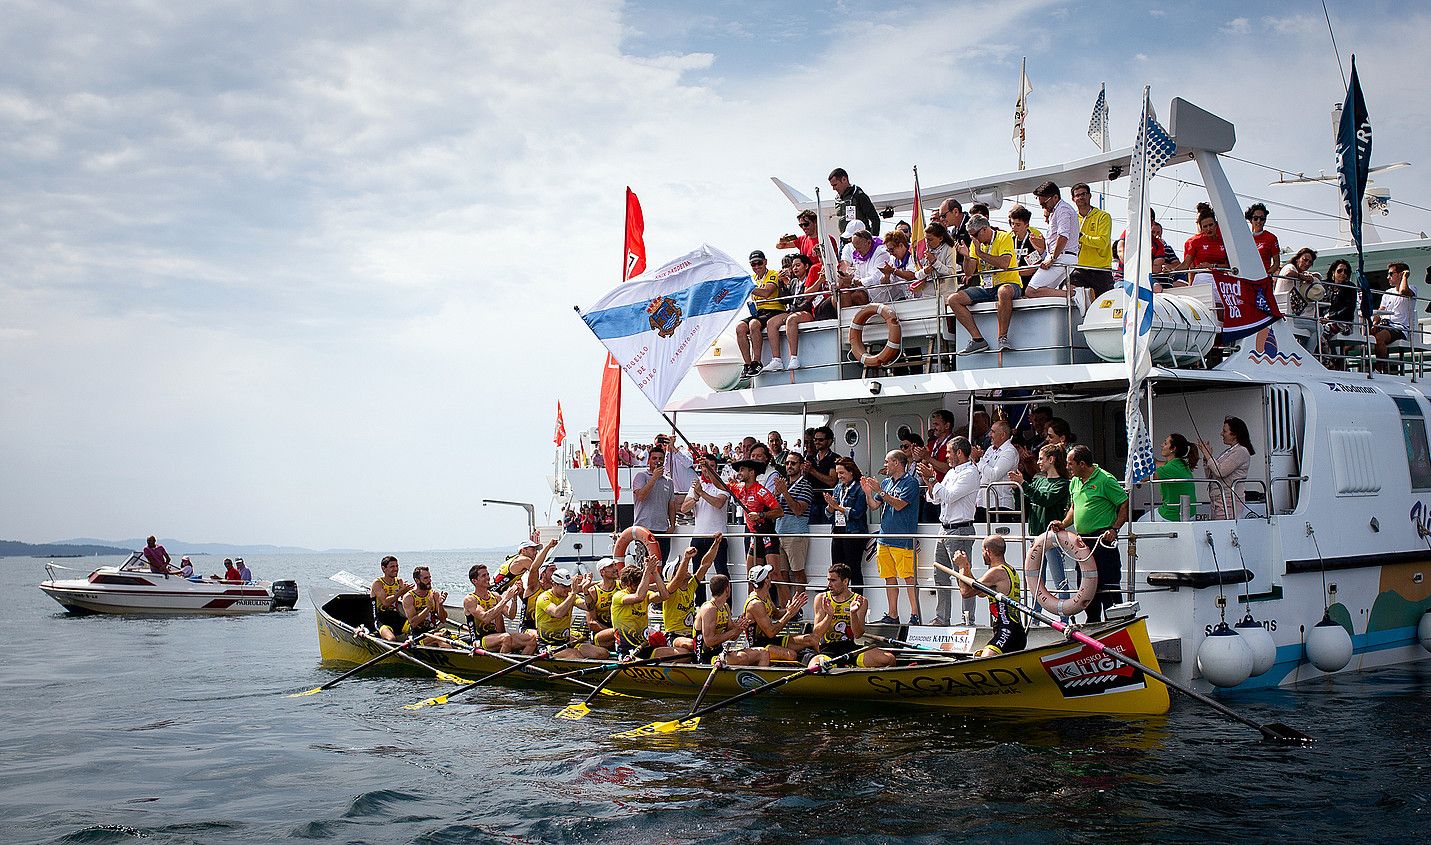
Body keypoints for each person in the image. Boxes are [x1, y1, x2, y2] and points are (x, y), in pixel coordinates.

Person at [1049, 445, 1128, 623]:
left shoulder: (1105, 479)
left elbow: (1124, 503)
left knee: (1108, 585)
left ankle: (1116, 624)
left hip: (1102, 540)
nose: (1067, 467)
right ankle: (1092, 622)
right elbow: (1074, 508)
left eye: (1070, 464)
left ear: (1082, 464)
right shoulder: (1075, 481)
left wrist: (1114, 529)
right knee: (1085, 586)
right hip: (1083, 542)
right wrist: (1063, 523)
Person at [704, 455, 785, 601]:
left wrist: (761, 514)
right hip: (754, 536)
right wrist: (709, 469)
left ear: (752, 472)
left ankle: (790, 610)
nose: (739, 472)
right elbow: (719, 484)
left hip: (767, 534)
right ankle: (752, 608)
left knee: (775, 575)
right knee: (752, 576)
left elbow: (779, 511)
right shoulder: (739, 488)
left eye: (742, 469)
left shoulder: (761, 491)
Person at [918, 436, 978, 626]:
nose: (946, 456)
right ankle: (943, 618)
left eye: (949, 452)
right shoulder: (952, 473)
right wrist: (930, 481)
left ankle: (967, 620)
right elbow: (935, 499)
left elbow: (949, 496)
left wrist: (932, 479)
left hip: (960, 530)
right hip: (944, 529)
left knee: (963, 576)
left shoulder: (970, 473)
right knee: (940, 575)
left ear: (959, 453)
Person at [861, 449, 923, 625]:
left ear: (897, 463)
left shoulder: (910, 483)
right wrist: (867, 492)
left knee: (909, 579)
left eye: (887, 462)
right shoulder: (887, 482)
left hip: (903, 539)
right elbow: (874, 506)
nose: (885, 465)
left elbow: (899, 505)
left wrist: (879, 490)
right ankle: (893, 614)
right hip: (884, 538)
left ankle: (915, 615)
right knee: (889, 577)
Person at [947, 214, 1023, 354]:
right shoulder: (975, 244)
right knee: (953, 299)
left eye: (974, 235)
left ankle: (1002, 338)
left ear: (984, 229)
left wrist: (980, 253)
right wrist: (967, 256)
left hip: (1010, 283)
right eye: (971, 236)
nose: (973, 239)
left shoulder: (1003, 237)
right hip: (986, 288)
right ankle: (978, 340)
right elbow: (969, 272)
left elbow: (1004, 263)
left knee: (1003, 292)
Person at [1009, 444, 1073, 610]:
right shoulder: (1038, 479)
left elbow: (1045, 499)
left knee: (1059, 579)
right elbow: (1027, 502)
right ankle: (1036, 617)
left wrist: (1024, 483)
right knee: (1036, 579)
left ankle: (1065, 616)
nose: (1037, 462)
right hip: (1036, 536)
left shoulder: (1063, 484)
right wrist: (1018, 489)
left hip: (1052, 538)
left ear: (1051, 460)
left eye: (1041, 458)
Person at [808, 563, 897, 669]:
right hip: (827, 650)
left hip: (850, 648)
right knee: (814, 667)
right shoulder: (821, 598)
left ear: (845, 581)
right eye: (828, 580)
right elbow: (816, 633)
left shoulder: (860, 601)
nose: (829, 585)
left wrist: (853, 613)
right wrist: (829, 615)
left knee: (889, 659)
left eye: (833, 581)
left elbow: (858, 634)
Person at [952, 537, 1026, 656]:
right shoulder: (1010, 570)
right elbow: (979, 592)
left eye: (982, 551)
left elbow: (966, 592)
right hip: (1014, 631)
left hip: (1007, 632)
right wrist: (966, 568)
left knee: (984, 659)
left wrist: (960, 567)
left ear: (987, 551)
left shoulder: (997, 572)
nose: (982, 554)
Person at [612, 559, 682, 660]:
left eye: (640, 583)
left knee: (683, 653)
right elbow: (638, 597)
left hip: (644, 646)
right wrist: (647, 571)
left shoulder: (646, 595)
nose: (639, 586)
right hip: (627, 650)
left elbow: (665, 596)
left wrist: (654, 572)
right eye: (636, 584)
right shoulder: (619, 596)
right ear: (627, 583)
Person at [743, 563, 812, 663]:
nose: (771, 578)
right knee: (791, 655)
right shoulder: (755, 604)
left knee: (809, 639)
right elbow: (771, 632)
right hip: (757, 645)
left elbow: (776, 613)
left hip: (769, 640)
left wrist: (792, 608)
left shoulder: (765, 595)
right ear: (766, 581)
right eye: (768, 576)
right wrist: (789, 614)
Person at [660, 541, 722, 653]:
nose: (686, 568)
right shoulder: (670, 589)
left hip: (691, 633)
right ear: (673, 575)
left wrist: (716, 544)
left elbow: (705, 565)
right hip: (675, 636)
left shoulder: (691, 586)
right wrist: (686, 558)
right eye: (679, 567)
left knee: (710, 641)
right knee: (690, 644)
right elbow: (678, 579)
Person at [532, 569, 609, 659]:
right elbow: (557, 613)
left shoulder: (570, 596)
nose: (568, 589)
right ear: (554, 584)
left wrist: (585, 591)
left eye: (569, 586)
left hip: (566, 642)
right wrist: (572, 594)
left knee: (603, 653)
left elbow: (590, 607)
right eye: (564, 586)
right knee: (575, 655)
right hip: (547, 645)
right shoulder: (544, 598)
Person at [693, 574, 767, 666]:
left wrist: (740, 628)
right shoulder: (709, 609)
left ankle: (758, 679)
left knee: (763, 652)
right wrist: (734, 631)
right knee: (743, 657)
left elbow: (733, 637)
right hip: (706, 657)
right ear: (727, 589)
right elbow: (709, 641)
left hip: (720, 653)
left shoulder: (725, 607)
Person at [773, 452, 815, 614]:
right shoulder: (784, 486)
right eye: (787, 463)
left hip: (796, 534)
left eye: (793, 463)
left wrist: (784, 492)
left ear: (801, 465)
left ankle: (797, 609)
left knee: (798, 573)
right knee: (782, 574)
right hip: (779, 532)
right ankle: (787, 608)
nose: (789, 466)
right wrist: (777, 494)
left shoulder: (806, 485)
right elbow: (775, 510)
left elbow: (798, 510)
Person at [683, 460, 732, 596]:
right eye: (706, 467)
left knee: (722, 572)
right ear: (701, 468)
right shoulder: (696, 485)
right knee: (697, 574)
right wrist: (696, 497)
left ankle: (726, 606)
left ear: (716, 468)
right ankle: (699, 606)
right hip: (698, 536)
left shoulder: (722, 485)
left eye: (711, 466)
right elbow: (684, 508)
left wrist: (701, 493)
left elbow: (719, 503)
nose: (708, 470)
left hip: (717, 536)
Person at [737, 250, 787, 377]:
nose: (757, 266)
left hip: (774, 310)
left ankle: (756, 362)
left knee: (754, 324)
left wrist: (748, 287)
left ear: (765, 262)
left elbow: (766, 292)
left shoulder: (772, 274)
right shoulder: (752, 279)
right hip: (759, 312)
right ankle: (747, 364)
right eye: (753, 264)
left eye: (759, 263)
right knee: (740, 327)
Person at [824, 457, 869, 595]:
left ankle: (858, 601)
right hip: (838, 530)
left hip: (854, 532)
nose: (839, 476)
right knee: (836, 569)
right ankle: (837, 598)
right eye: (838, 473)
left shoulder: (860, 488)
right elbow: (829, 513)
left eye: (842, 473)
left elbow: (858, 513)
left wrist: (838, 507)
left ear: (851, 472)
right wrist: (831, 506)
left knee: (853, 568)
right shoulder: (838, 487)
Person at [1026, 181, 1079, 298]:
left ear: (1055, 197)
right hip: (1064, 256)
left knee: (1031, 291)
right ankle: (1072, 298)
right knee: (1046, 292)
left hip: (1060, 257)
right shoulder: (1057, 211)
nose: (1043, 207)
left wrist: (1052, 258)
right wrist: (1043, 244)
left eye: (1044, 204)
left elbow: (1063, 236)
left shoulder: (1062, 210)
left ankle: (1075, 294)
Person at [463, 563, 531, 654]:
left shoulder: (495, 596)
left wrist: (514, 599)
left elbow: (511, 616)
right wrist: (506, 598)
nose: (488, 578)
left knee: (531, 639)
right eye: (484, 576)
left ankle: (520, 666)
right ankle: (501, 665)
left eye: (488, 574)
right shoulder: (471, 599)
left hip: (498, 636)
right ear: (475, 581)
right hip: (480, 640)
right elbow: (485, 618)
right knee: (506, 638)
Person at [1199, 416, 1255, 520]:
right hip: (1218, 500)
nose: (1221, 434)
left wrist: (1208, 455)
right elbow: (1211, 476)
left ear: (1234, 434)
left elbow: (1220, 472)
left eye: (1224, 431)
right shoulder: (1228, 452)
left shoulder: (1241, 451)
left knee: (1224, 530)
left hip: (1229, 501)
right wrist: (1207, 459)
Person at [632, 446, 677, 563]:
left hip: (662, 530)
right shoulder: (641, 476)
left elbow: (671, 505)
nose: (658, 461)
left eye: (661, 458)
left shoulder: (669, 482)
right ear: (649, 461)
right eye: (654, 458)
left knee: (661, 564)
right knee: (645, 565)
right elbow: (640, 496)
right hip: (644, 529)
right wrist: (654, 478)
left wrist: (672, 525)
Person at [1070, 183, 1114, 296]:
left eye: (1084, 194)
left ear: (1090, 195)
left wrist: (1081, 237)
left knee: (1104, 307)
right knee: (1076, 305)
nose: (1081, 197)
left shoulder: (1103, 216)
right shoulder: (1072, 218)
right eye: (1077, 195)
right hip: (1079, 269)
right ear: (1073, 199)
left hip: (1101, 270)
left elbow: (1103, 242)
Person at [1372, 262, 1416, 371]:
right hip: (1385, 326)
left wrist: (1405, 276)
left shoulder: (1412, 288)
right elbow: (1380, 310)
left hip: (1400, 328)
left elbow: (1403, 291)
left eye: (1391, 274)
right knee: (1363, 335)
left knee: (1379, 338)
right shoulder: (1387, 292)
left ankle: (1380, 369)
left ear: (1400, 274)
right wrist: (1374, 324)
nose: (1388, 277)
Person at [973, 420, 1019, 522]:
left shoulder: (1009, 452)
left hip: (1000, 505)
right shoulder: (990, 449)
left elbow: (994, 475)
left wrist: (978, 459)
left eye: (993, 432)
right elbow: (979, 471)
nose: (990, 435)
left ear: (1002, 435)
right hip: (982, 502)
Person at [840, 226, 897, 304]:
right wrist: (849, 277)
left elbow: (875, 279)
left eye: (858, 247)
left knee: (857, 296)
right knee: (842, 294)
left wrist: (853, 281)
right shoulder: (858, 253)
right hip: (865, 293)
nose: (857, 251)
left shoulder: (881, 253)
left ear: (869, 243)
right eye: (855, 248)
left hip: (881, 298)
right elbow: (858, 275)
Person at [1176, 202, 1229, 286]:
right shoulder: (1195, 241)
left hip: (1222, 279)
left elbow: (1230, 265)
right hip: (1203, 277)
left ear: (1216, 225)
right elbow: (1186, 264)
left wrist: (1212, 266)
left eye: (1211, 225)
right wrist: (1171, 271)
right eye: (1205, 226)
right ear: (1201, 228)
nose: (1208, 229)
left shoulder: (1225, 241)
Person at [401, 566, 450, 646]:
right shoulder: (409, 598)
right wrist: (428, 608)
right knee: (440, 638)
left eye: (429, 578)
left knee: (444, 636)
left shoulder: (434, 595)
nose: (429, 581)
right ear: (417, 580)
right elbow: (413, 623)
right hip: (417, 636)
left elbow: (443, 620)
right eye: (426, 578)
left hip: (432, 632)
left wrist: (440, 605)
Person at [1155, 433, 1200, 521]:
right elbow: (1158, 463)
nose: (1162, 445)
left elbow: (1144, 478)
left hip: (1172, 515)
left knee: (1139, 523)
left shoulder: (1170, 468)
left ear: (1173, 449)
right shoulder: (1181, 464)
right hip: (1190, 514)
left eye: (1165, 443)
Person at [582, 556, 622, 650]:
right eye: (611, 566)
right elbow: (591, 623)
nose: (616, 568)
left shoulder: (621, 585)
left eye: (615, 565)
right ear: (602, 572)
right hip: (603, 635)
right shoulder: (593, 592)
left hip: (620, 631)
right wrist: (615, 633)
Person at [369, 555, 411, 641]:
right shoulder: (377, 583)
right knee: (391, 638)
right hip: (381, 620)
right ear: (383, 568)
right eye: (392, 566)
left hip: (397, 617)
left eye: (397, 566)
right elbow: (385, 602)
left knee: (418, 629)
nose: (395, 569)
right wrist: (400, 592)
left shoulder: (399, 582)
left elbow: (406, 601)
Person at [829, 167, 880, 237]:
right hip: (845, 238)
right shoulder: (838, 199)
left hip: (860, 240)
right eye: (832, 186)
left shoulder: (859, 195)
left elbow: (875, 219)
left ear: (844, 179)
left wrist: (873, 239)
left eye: (835, 185)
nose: (833, 188)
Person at [910, 221, 956, 298]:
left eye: (930, 240)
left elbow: (950, 273)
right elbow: (917, 275)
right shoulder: (924, 249)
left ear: (940, 238)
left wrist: (934, 261)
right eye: (926, 239)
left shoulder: (949, 248)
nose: (927, 243)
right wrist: (925, 271)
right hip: (927, 295)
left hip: (945, 294)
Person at [1246, 203, 1281, 274]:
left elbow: (1276, 263)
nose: (1258, 221)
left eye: (1262, 218)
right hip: (1246, 277)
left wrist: (1267, 275)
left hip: (1262, 279)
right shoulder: (1244, 237)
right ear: (1250, 220)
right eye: (1255, 218)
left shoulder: (1271, 238)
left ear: (1265, 220)